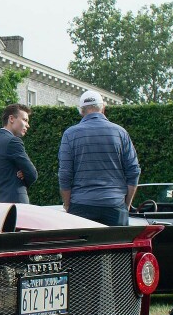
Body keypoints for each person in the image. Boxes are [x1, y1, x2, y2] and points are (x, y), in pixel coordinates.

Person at [58, 90, 140, 226]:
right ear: (103, 108)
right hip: (115, 205)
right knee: (116, 247)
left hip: (81, 205)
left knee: (85, 248)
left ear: (81, 111)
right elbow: (133, 171)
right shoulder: (120, 133)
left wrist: (68, 205)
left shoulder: (70, 134)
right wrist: (126, 205)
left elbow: (65, 174)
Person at [0, 103, 37, 203]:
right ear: (11, 119)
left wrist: (23, 172)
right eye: (25, 120)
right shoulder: (13, 141)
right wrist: (25, 175)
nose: (28, 125)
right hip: (16, 203)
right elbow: (33, 174)